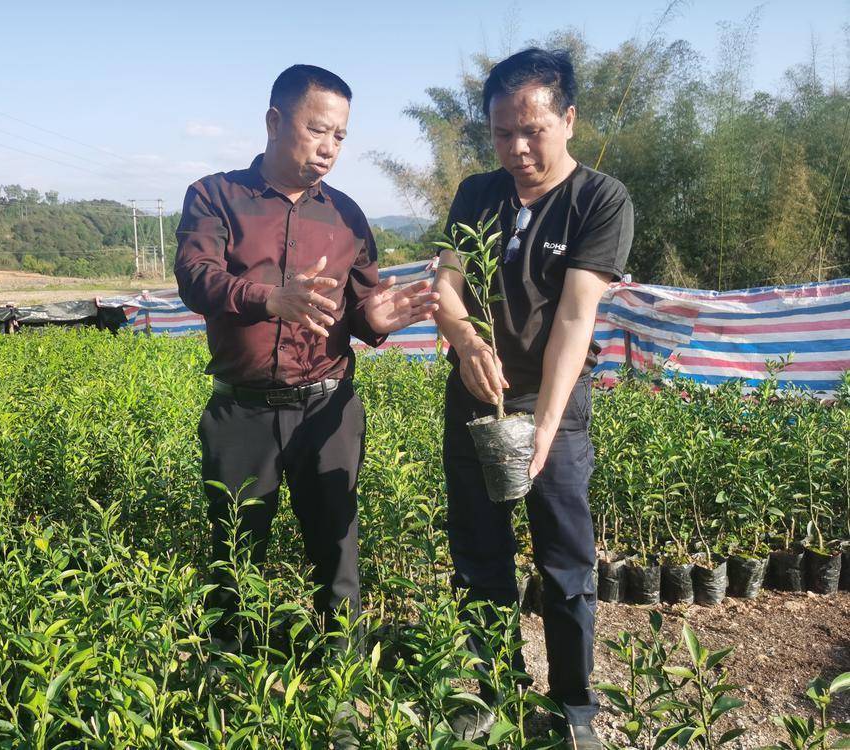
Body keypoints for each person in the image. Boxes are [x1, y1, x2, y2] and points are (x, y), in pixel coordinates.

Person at [174, 64, 439, 661]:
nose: (330, 148)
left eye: (341, 136)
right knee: (235, 559)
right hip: (242, 412)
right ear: (274, 121)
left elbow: (363, 307)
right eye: (319, 130)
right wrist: (270, 297)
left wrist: (379, 318)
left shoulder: (346, 216)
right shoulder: (215, 195)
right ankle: (229, 683)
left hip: (328, 409)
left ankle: (341, 690)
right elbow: (196, 278)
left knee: (337, 554)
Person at [432, 48, 634, 747]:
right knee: (479, 555)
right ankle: (493, 690)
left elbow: (575, 318)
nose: (517, 149)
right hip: (473, 404)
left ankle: (575, 709)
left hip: (556, 407)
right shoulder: (474, 195)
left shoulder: (598, 200)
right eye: (500, 133)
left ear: (569, 119)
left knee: (566, 562)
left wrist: (545, 425)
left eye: (533, 130)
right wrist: (465, 344)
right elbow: (447, 290)